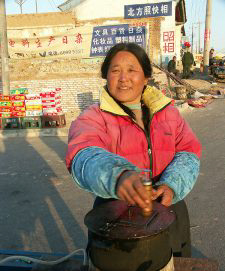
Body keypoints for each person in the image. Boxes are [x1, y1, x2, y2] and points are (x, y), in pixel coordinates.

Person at [66, 43, 202, 258]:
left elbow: (188, 150)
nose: (123, 78)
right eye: (115, 70)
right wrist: (117, 176)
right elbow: (83, 154)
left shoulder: (168, 112)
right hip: (117, 216)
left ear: (146, 77)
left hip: (169, 207)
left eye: (132, 70)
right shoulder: (93, 117)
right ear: (106, 76)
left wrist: (172, 185)